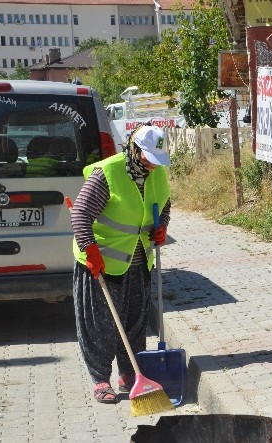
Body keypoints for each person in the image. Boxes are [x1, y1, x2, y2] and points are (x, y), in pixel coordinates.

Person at [70, 124, 172, 403]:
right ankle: (101, 379)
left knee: (135, 322)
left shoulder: (158, 173)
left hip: (138, 260)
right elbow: (80, 214)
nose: (152, 165)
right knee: (100, 325)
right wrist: (90, 250)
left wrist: (160, 226)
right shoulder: (108, 174)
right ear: (134, 149)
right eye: (148, 158)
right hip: (102, 261)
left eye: (157, 160)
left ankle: (130, 373)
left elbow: (164, 205)